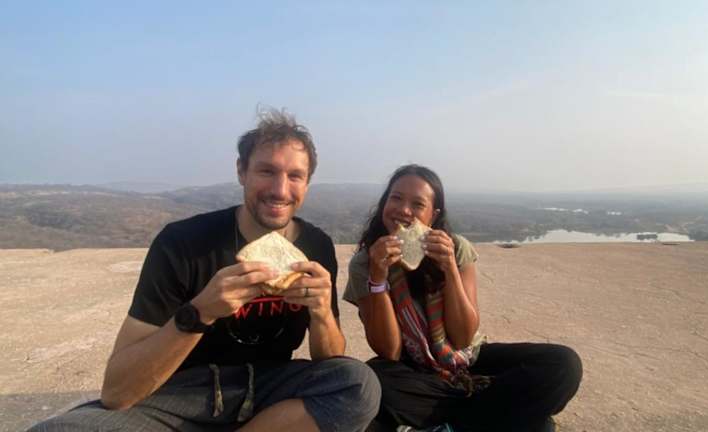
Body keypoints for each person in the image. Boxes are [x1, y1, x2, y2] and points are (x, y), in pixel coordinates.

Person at [31, 110, 381, 432]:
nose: (280, 190)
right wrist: (200, 312)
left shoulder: (316, 247)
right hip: (182, 394)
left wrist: (321, 313)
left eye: (295, 176)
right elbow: (116, 392)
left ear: (307, 183)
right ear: (241, 171)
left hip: (268, 389)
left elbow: (329, 363)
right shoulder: (182, 243)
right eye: (266, 171)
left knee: (359, 384)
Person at [343, 164, 582, 432]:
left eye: (417, 204)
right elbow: (390, 351)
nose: (404, 210)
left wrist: (450, 269)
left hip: (466, 359)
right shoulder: (365, 263)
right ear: (384, 204)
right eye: (396, 198)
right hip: (412, 372)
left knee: (563, 365)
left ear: (432, 215)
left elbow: (463, 338)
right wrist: (378, 278)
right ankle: (497, 413)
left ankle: (455, 420)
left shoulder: (456, 248)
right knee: (374, 380)